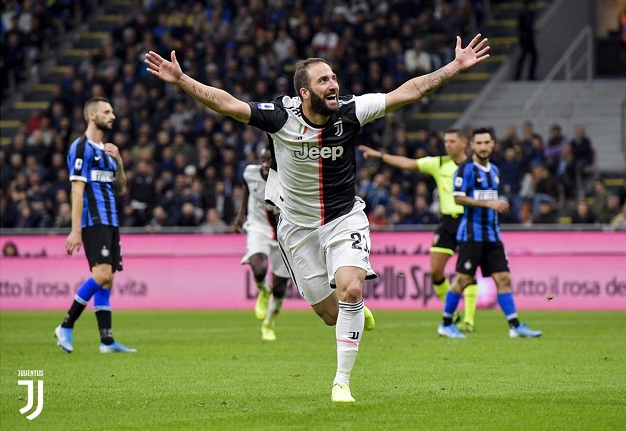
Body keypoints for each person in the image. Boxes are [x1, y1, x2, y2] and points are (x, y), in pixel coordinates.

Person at [145, 33, 490, 402]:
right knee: (329, 314)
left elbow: (408, 92)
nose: (333, 85)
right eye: (323, 80)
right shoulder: (280, 117)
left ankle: (341, 381)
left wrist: (454, 66)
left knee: (351, 288)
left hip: (344, 217)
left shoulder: (351, 110)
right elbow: (228, 104)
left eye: (334, 77)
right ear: (304, 94)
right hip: (297, 228)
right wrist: (182, 80)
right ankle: (351, 310)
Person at [358, 129, 480, 332]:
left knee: (466, 272)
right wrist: (380, 155)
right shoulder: (439, 163)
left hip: (469, 221)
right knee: (435, 272)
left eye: (452, 141)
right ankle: (454, 313)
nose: (448, 144)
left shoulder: (474, 167)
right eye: (446, 141)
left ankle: (469, 320)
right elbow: (408, 163)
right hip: (448, 222)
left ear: (464, 143)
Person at [438, 127, 542, 339]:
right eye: (479, 143)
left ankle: (514, 326)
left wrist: (497, 205)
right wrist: (489, 204)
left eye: (487, 143)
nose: (483, 147)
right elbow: (458, 198)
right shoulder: (466, 170)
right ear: (472, 146)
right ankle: (446, 324)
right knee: (464, 280)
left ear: (493, 144)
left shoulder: (494, 171)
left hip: (492, 235)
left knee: (503, 278)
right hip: (471, 234)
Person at [54, 97, 136, 354]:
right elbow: (76, 191)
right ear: (91, 115)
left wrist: (120, 162)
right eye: (107, 112)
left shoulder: (108, 151)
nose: (113, 116)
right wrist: (75, 230)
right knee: (101, 274)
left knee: (108, 279)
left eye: (112, 111)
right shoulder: (80, 147)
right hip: (93, 220)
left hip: (111, 221)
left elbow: (120, 189)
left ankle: (107, 341)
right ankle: (66, 325)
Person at [233, 148, 289, 341]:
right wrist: (241, 216)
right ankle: (264, 291)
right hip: (258, 227)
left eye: (269, 160)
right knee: (258, 267)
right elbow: (247, 191)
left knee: (280, 288)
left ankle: (269, 324)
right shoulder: (250, 173)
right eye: (263, 159)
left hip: (284, 234)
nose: (265, 164)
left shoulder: (289, 177)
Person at [514, 0, 538, 81]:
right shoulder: (524, 14)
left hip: (529, 38)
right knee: (525, 56)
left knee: (529, 56)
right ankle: (520, 75)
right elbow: (524, 26)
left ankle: (525, 75)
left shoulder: (531, 14)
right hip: (525, 39)